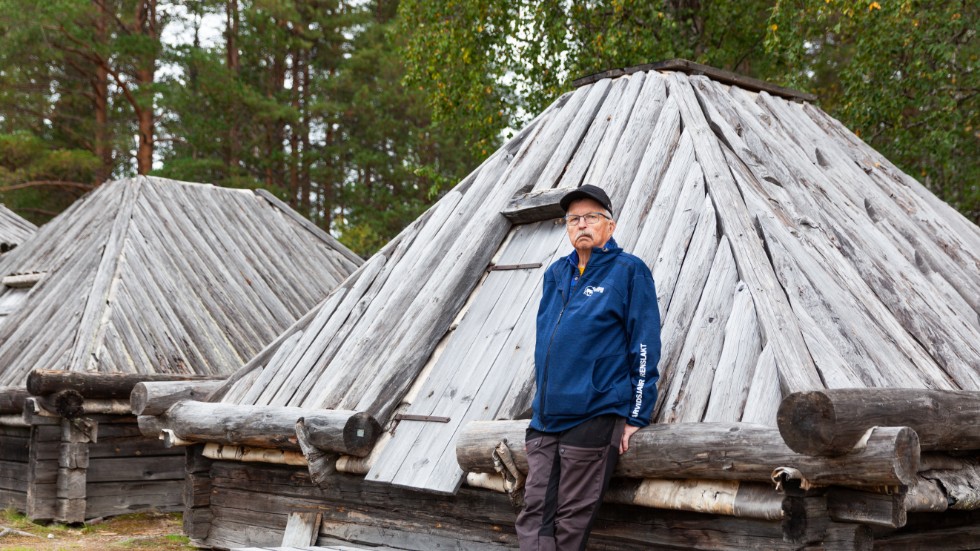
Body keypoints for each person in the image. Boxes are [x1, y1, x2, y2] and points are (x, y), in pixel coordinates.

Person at [515, 184, 662, 551]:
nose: (581, 224)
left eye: (591, 217)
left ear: (609, 226)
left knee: (570, 521)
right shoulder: (555, 273)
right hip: (546, 418)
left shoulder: (629, 271)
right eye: (573, 219)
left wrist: (636, 415)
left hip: (594, 414)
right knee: (534, 514)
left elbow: (644, 345)